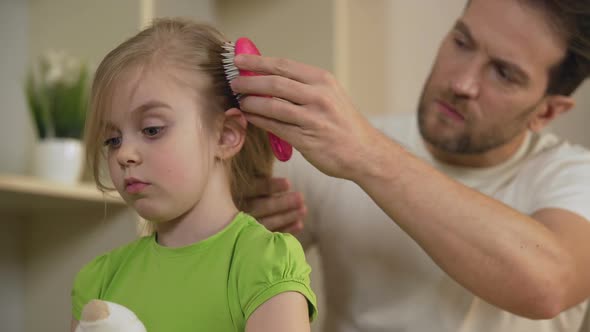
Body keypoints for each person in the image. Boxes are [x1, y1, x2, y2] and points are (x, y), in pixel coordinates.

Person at [228, 0, 590, 331]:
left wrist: (367, 154)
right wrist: (233, 240)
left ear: (548, 111)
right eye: (462, 43)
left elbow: (549, 285)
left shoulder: (573, 177)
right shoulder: (340, 149)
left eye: (504, 73)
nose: (461, 83)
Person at [70, 18, 317, 332]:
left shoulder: (264, 264)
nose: (123, 154)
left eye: (151, 129)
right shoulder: (99, 279)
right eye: (112, 140)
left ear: (226, 135)